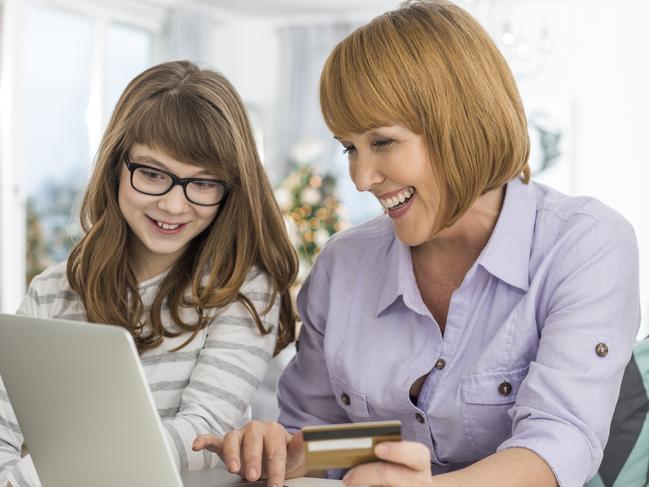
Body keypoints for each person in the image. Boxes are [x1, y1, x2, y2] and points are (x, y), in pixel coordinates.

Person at [193, 1, 641, 486]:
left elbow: (561, 441)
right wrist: (293, 454)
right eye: (349, 148)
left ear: (463, 124)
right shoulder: (343, 265)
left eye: (382, 142)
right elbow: (320, 435)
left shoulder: (585, 244)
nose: (361, 178)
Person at [0, 60, 298, 487]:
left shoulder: (242, 291)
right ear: (116, 167)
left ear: (230, 189)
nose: (174, 206)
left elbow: (203, 430)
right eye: (153, 174)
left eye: (203, 182)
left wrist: (41, 475)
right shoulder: (52, 292)